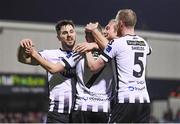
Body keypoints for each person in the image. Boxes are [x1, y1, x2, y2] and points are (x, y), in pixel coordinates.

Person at [25, 24, 115, 123]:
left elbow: (53, 68)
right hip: (103, 108)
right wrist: (96, 45)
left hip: (82, 107)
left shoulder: (79, 50)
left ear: (86, 37)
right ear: (100, 35)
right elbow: (117, 43)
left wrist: (34, 54)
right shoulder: (112, 52)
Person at [85, 9, 152, 123]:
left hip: (125, 100)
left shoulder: (116, 44)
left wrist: (88, 48)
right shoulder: (143, 42)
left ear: (120, 23)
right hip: (144, 100)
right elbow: (148, 50)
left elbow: (93, 67)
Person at [17, 20, 77, 123]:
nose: (69, 35)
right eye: (64, 33)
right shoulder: (49, 54)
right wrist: (22, 47)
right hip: (57, 114)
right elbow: (23, 59)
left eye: (71, 31)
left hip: (78, 114)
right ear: (58, 37)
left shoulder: (83, 55)